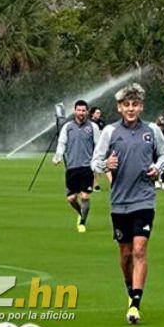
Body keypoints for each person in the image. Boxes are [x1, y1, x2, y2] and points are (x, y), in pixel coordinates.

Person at [91, 83, 164, 325]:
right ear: (119, 107)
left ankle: (135, 304)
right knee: (125, 254)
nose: (131, 108)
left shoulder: (152, 131)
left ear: (141, 106)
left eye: (135, 104)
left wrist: (157, 168)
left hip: (144, 200)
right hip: (119, 202)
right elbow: (94, 162)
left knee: (139, 250)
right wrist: (107, 166)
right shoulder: (110, 133)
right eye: (126, 105)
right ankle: (130, 289)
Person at [53, 99, 101, 233]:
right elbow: (62, 143)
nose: (81, 113)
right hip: (72, 167)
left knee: (85, 196)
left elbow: (98, 145)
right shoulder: (67, 127)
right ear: (75, 111)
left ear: (87, 112)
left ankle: (83, 222)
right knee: (71, 198)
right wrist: (57, 156)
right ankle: (81, 213)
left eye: (83, 110)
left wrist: (98, 161)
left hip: (87, 167)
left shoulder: (93, 127)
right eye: (78, 110)